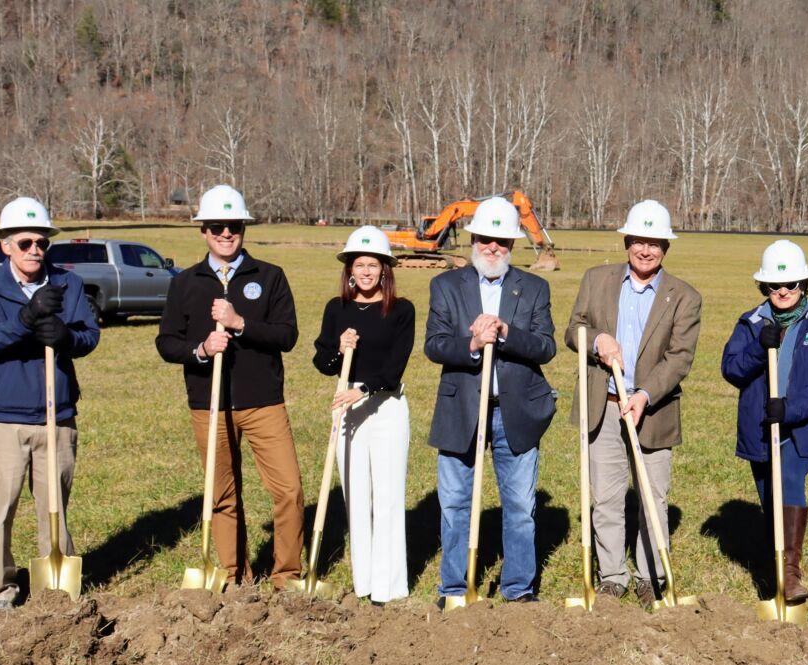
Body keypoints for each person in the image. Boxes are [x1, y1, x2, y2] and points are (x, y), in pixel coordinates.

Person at [156, 185, 304, 590]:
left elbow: (287, 335)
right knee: (222, 495)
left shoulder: (269, 277)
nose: (226, 233)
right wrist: (201, 349)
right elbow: (166, 342)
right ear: (203, 230)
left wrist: (241, 324)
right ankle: (234, 575)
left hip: (263, 403)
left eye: (234, 225)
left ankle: (287, 576)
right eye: (217, 226)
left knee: (289, 490)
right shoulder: (185, 283)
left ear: (243, 228)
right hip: (209, 405)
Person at [564, 200, 703, 605]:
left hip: (651, 409)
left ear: (666, 248)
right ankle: (612, 576)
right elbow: (573, 330)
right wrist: (595, 341)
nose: (646, 250)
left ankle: (650, 576)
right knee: (605, 496)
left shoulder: (685, 298)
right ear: (627, 241)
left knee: (652, 496)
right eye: (639, 241)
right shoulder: (596, 280)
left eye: (655, 243)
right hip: (602, 404)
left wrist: (644, 394)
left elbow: (680, 357)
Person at [0, 197, 100, 609]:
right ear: (5, 244)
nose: (35, 250)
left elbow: (88, 336)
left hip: (55, 418)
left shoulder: (66, 284)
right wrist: (25, 319)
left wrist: (65, 337)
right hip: (4, 420)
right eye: (24, 243)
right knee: (0, 511)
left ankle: (54, 595)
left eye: (42, 242)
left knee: (54, 511)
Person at [424, 197, 557, 603]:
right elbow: (434, 345)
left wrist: (504, 334)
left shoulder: (534, 288)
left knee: (519, 506)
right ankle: (454, 588)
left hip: (514, 411)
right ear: (473, 239)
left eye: (501, 240)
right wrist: (473, 343)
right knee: (455, 504)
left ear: (513, 244)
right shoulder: (446, 285)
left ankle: (518, 589)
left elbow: (546, 347)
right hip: (461, 409)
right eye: (485, 239)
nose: (492, 247)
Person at [721, 240, 808, 607]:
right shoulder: (751, 322)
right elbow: (731, 369)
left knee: (789, 481)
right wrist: (760, 347)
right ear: (764, 287)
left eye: (791, 285)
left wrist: (788, 409)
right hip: (759, 429)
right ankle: (777, 565)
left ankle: (790, 576)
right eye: (775, 286)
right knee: (769, 499)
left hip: (800, 428)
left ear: (804, 284)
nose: (783, 292)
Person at [310, 226, 416, 604]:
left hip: (386, 405)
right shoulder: (335, 309)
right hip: (347, 406)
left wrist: (364, 389)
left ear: (385, 269)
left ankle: (389, 586)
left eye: (374, 265)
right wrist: (339, 350)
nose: (367, 272)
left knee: (387, 495)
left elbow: (395, 366)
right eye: (360, 265)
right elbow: (322, 362)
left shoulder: (401, 310)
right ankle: (365, 582)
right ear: (350, 270)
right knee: (356, 494)